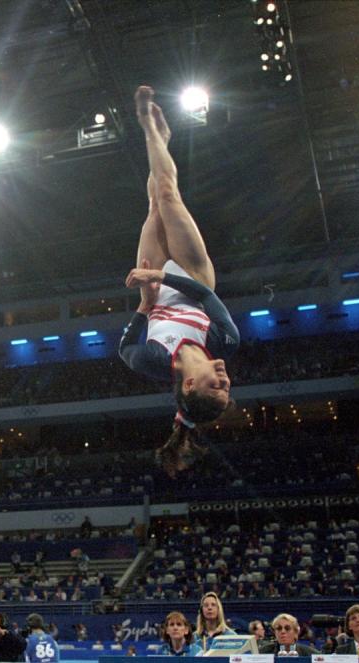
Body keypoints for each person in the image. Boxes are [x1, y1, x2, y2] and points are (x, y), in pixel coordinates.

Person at [119, 85, 239, 477]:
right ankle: (148, 128)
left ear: (189, 386)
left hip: (154, 295)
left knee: (153, 205)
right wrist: (159, 275)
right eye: (227, 386)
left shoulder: (156, 362)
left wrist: (144, 305)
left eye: (215, 387)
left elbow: (123, 350)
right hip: (192, 276)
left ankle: (162, 140)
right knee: (169, 195)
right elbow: (204, 293)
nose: (225, 379)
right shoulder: (225, 342)